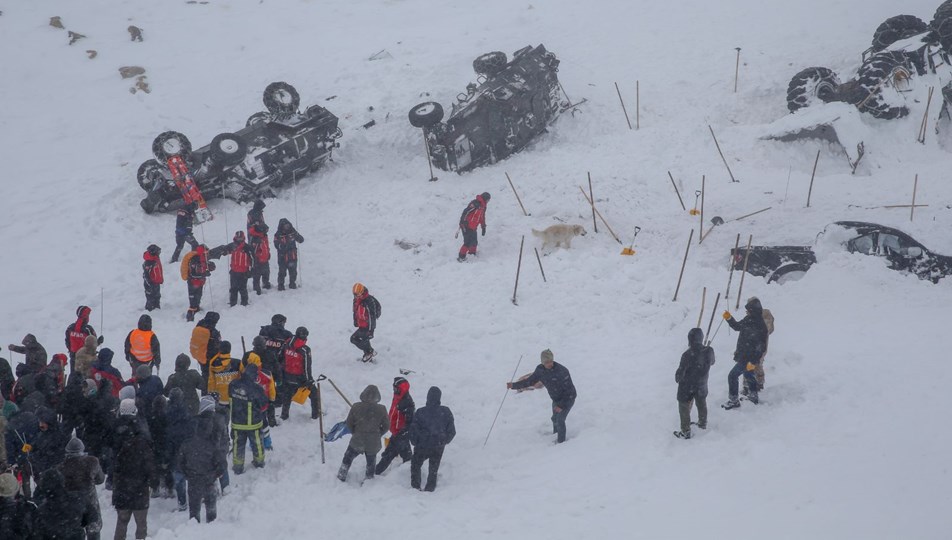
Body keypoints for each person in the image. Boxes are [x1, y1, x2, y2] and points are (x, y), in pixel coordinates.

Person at [507, 349, 577, 443]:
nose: (549, 364)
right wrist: (514, 385)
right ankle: (555, 435)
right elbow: (530, 381)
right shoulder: (540, 370)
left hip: (568, 399)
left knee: (560, 420)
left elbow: (571, 392)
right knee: (554, 419)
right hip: (556, 399)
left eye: (551, 361)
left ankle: (561, 443)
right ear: (542, 362)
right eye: (547, 362)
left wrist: (561, 405)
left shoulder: (562, 371)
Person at [177, 396, 226, 523]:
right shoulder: (214, 430)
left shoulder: (190, 430)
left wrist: (186, 472)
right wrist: (218, 471)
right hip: (210, 475)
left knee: (194, 508)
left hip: (193, 475)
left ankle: (193, 527)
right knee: (211, 507)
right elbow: (219, 454)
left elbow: (181, 458)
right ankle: (211, 525)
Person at [112, 399, 154, 540]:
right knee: (141, 524)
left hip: (122, 485)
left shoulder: (115, 431)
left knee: (122, 521)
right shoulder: (142, 439)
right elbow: (149, 464)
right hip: (139, 487)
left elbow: (112, 459)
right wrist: (153, 480)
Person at [722, 298, 769, 410]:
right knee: (749, 375)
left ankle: (733, 400)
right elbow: (737, 327)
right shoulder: (749, 319)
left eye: (748, 310)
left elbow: (761, 347)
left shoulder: (760, 326)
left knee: (732, 376)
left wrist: (753, 361)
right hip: (744, 354)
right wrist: (729, 318)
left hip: (748, 357)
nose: (746, 312)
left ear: (753, 311)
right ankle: (753, 396)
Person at [336, 385, 388, 483]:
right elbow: (386, 426)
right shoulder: (382, 409)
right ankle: (369, 480)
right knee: (371, 463)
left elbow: (349, 423)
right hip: (373, 442)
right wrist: (377, 434)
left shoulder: (356, 406)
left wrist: (355, 432)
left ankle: (341, 476)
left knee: (347, 458)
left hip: (357, 440)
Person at [409, 386, 455, 492]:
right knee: (433, 469)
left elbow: (413, 430)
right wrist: (443, 440)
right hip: (438, 446)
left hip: (422, 446)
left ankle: (415, 487)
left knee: (415, 465)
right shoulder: (446, 411)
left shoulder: (420, 412)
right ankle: (430, 488)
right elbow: (452, 431)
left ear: (428, 397)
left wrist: (415, 442)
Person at [58, 437, 105, 540]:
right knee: (93, 528)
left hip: (72, 504)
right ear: (82, 449)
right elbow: (100, 480)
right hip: (90, 500)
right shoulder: (92, 462)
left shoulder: (61, 467)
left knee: (74, 530)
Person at [673, 328, 715, 440]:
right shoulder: (709, 350)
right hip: (702, 384)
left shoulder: (687, 354)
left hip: (687, 386)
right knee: (701, 403)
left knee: (683, 406)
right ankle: (702, 423)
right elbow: (712, 362)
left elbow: (680, 373)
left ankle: (685, 430)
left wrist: (678, 377)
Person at [228, 364, 268, 474]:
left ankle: (238, 466)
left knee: (238, 445)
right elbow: (264, 404)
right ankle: (259, 462)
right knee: (257, 444)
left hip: (237, 423)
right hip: (253, 424)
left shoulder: (233, 384)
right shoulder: (256, 389)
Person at [375, 377, 414, 475]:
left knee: (390, 455)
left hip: (401, 434)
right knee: (404, 456)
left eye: (396, 389)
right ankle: (411, 473)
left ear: (402, 389)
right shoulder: (397, 397)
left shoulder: (407, 402)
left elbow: (410, 422)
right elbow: (393, 413)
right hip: (396, 432)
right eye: (394, 388)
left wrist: (403, 433)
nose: (394, 390)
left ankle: (375, 473)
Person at [34, 468, 86, 540]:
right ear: (62, 481)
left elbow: (36, 534)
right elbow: (92, 518)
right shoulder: (78, 498)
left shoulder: (40, 511)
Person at [279, 328, 318, 420]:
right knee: (314, 393)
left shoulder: (286, 344)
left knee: (287, 395)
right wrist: (309, 380)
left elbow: (280, 358)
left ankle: (284, 415)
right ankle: (315, 414)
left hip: (287, 376)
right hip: (300, 378)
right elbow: (307, 367)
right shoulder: (305, 350)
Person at [240, 337, 278, 428]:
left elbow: (241, 369)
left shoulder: (248, 355)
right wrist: (278, 378)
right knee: (270, 403)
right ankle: (271, 421)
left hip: (251, 383)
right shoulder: (270, 354)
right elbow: (276, 367)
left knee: (253, 404)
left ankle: (255, 420)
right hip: (267, 383)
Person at [744, 300, 774, 394]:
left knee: (756, 364)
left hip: (760, 347)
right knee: (749, 364)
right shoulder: (751, 316)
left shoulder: (765, 315)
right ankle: (748, 385)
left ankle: (757, 384)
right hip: (750, 346)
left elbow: (769, 329)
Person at [258, 314, 292, 397]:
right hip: (277, 363)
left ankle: (263, 395)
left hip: (262, 361)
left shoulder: (264, 330)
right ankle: (276, 398)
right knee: (278, 383)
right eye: (284, 323)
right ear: (280, 322)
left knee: (262, 381)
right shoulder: (287, 334)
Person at [222, 231, 255, 307]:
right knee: (233, 288)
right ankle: (233, 303)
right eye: (238, 238)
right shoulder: (232, 246)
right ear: (235, 238)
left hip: (244, 272)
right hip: (234, 271)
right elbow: (224, 251)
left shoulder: (247, 248)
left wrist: (251, 270)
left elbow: (253, 259)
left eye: (241, 238)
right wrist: (223, 251)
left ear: (243, 238)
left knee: (243, 288)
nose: (239, 239)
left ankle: (244, 303)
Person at [351, 283, 381, 363]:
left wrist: (371, 330)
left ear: (362, 292)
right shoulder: (356, 299)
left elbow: (372, 317)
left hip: (368, 326)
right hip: (362, 324)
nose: (355, 296)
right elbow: (355, 311)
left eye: (357, 294)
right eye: (354, 294)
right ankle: (369, 353)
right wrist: (355, 321)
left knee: (354, 339)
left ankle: (369, 352)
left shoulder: (369, 301)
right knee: (364, 340)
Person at [189, 312, 221, 386]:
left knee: (204, 373)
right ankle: (208, 390)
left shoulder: (199, 325)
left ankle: (204, 389)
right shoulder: (213, 331)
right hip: (209, 357)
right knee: (209, 376)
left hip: (199, 354)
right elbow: (218, 344)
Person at [247, 199, 272, 295]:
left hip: (259, 239)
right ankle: (257, 287)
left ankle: (265, 283)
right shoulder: (254, 214)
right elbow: (254, 227)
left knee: (265, 267)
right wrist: (261, 229)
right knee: (257, 268)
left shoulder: (255, 213)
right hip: (255, 240)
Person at [185, 245, 215, 322]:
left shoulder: (203, 259)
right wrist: (204, 274)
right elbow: (192, 274)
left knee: (198, 298)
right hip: (192, 283)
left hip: (200, 283)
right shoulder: (194, 260)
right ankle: (190, 316)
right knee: (193, 301)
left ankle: (196, 310)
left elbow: (206, 267)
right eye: (206, 251)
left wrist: (211, 267)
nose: (207, 253)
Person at [457, 192, 490, 262]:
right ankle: (461, 257)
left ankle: (472, 253)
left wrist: (483, 226)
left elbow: (482, 217)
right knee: (468, 242)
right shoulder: (475, 203)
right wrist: (462, 222)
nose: (488, 201)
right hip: (466, 225)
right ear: (484, 198)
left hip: (473, 227)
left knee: (474, 242)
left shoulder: (483, 207)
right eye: (487, 200)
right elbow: (466, 212)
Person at [65, 306, 98, 372]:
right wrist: (99, 341)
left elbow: (67, 341)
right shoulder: (88, 329)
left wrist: (71, 351)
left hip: (73, 358)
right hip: (86, 359)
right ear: (86, 316)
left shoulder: (70, 327)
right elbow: (93, 344)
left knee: (74, 376)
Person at [273, 218, 304, 291]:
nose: (287, 227)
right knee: (282, 272)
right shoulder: (278, 234)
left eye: (288, 225)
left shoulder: (292, 231)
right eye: (285, 225)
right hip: (282, 257)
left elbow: (301, 240)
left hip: (292, 255)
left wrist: (297, 237)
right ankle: (281, 285)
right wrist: (281, 246)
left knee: (293, 271)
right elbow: (276, 244)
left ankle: (292, 283)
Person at [207, 342, 239, 408]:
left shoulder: (214, 364)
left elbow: (211, 381)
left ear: (219, 350)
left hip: (219, 398)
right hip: (234, 397)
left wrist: (210, 395)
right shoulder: (237, 363)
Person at [142, 245, 164, 312]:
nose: (159, 253)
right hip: (150, 283)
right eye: (158, 251)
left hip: (156, 282)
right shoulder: (149, 262)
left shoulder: (155, 258)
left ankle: (156, 307)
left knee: (157, 296)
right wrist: (149, 283)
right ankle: (149, 310)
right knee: (150, 297)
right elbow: (145, 274)